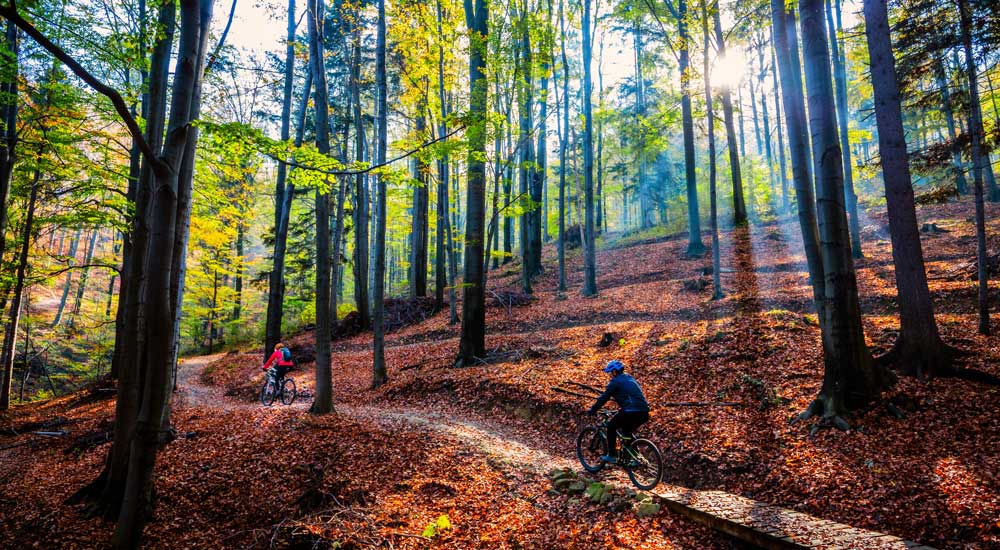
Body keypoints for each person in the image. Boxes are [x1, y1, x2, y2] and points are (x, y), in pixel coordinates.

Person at [588, 360, 650, 463]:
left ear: (614, 372)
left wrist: (593, 410)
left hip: (630, 411)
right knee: (626, 431)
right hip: (644, 412)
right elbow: (631, 395)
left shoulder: (615, 382)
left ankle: (612, 455)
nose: (610, 375)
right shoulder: (630, 378)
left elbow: (604, 398)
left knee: (611, 427)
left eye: (610, 373)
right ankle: (636, 457)